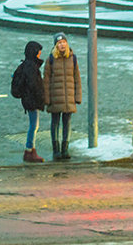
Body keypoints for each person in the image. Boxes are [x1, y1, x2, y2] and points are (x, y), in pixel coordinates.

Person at [43, 33, 82, 161]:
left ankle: (65, 149)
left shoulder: (73, 58)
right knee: (55, 123)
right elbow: (46, 80)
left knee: (67, 123)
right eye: (59, 43)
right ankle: (56, 150)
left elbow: (77, 78)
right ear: (55, 45)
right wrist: (47, 99)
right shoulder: (51, 59)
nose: (62, 45)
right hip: (55, 97)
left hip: (68, 98)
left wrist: (77, 96)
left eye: (64, 42)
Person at [14, 40, 46, 163]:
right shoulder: (31, 67)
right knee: (34, 126)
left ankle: (31, 149)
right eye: (38, 53)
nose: (39, 55)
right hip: (32, 100)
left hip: (29, 100)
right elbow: (34, 85)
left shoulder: (28, 65)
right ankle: (29, 150)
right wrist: (41, 98)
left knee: (34, 125)